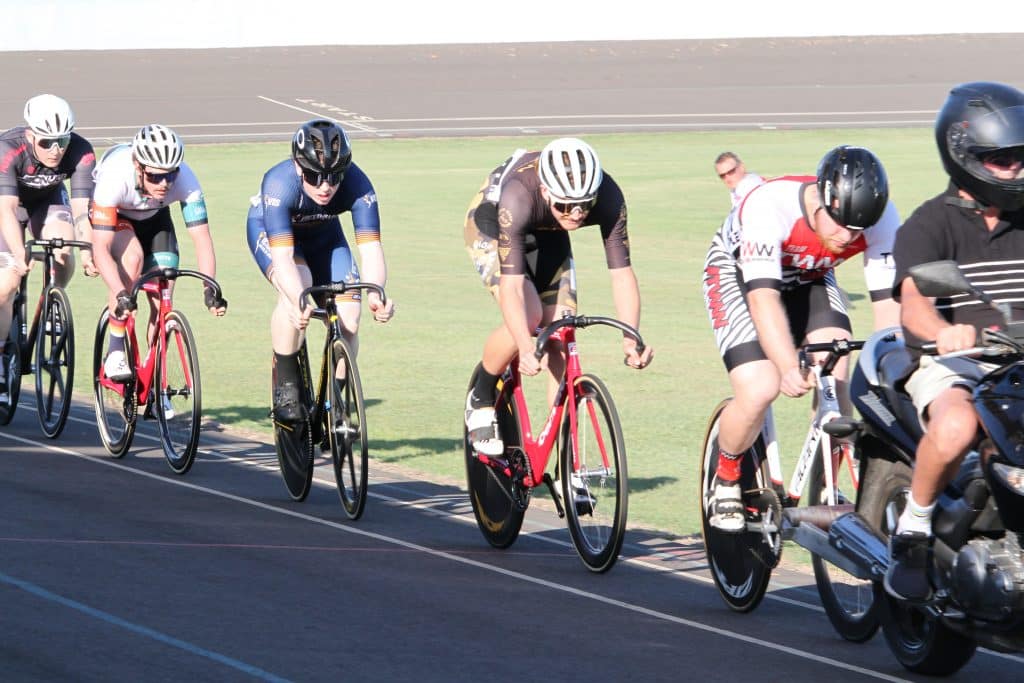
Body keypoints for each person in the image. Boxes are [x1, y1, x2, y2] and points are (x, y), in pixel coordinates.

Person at [702, 145, 900, 532]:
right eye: (840, 223)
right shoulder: (769, 206)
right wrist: (787, 363)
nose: (848, 236)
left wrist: (889, 377)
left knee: (838, 368)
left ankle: (828, 486)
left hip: (811, 275)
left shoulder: (879, 219)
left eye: (858, 229)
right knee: (761, 386)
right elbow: (762, 297)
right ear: (820, 203)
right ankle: (725, 475)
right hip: (740, 276)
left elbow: (887, 311)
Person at [885, 81, 1024, 601]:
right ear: (964, 155)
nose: (1017, 168)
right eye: (1004, 158)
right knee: (959, 422)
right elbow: (914, 303)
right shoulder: (928, 224)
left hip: (1019, 363)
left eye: (1021, 157)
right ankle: (915, 529)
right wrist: (945, 333)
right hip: (959, 364)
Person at [463, 137, 654, 458]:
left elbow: (622, 273)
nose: (576, 215)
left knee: (562, 330)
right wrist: (524, 346)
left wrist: (630, 337)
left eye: (584, 205)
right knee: (530, 317)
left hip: (549, 234)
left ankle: (564, 456)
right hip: (495, 224)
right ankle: (481, 395)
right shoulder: (519, 195)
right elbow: (511, 287)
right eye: (566, 205)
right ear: (546, 191)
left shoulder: (609, 198)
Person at [247, 119, 394, 423]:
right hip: (274, 234)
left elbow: (371, 250)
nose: (325, 187)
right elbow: (284, 258)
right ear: (298, 167)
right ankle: (287, 383)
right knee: (298, 287)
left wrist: (377, 292)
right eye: (314, 177)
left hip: (325, 237)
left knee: (350, 319)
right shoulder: (278, 184)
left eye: (334, 176)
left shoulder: (359, 184)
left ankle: (335, 401)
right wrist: (297, 299)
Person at [90, 124, 226, 383]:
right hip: (118, 217)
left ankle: (155, 380)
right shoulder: (115, 178)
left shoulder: (186, 179)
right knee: (131, 259)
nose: (164, 184)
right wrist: (121, 293)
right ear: (138, 166)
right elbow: (101, 248)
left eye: (170, 175)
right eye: (154, 176)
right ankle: (115, 348)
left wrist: (210, 289)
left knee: (164, 294)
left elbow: (201, 238)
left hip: (155, 219)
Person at [0, 94, 98, 404]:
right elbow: (7, 209)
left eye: (62, 141)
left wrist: (87, 250)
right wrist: (18, 255)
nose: (56, 150)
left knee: (63, 248)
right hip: (7, 206)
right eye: (46, 143)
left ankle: (51, 299)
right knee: (7, 284)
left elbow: (83, 208)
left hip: (49, 200)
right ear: (30, 136)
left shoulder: (81, 152)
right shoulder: (7, 149)